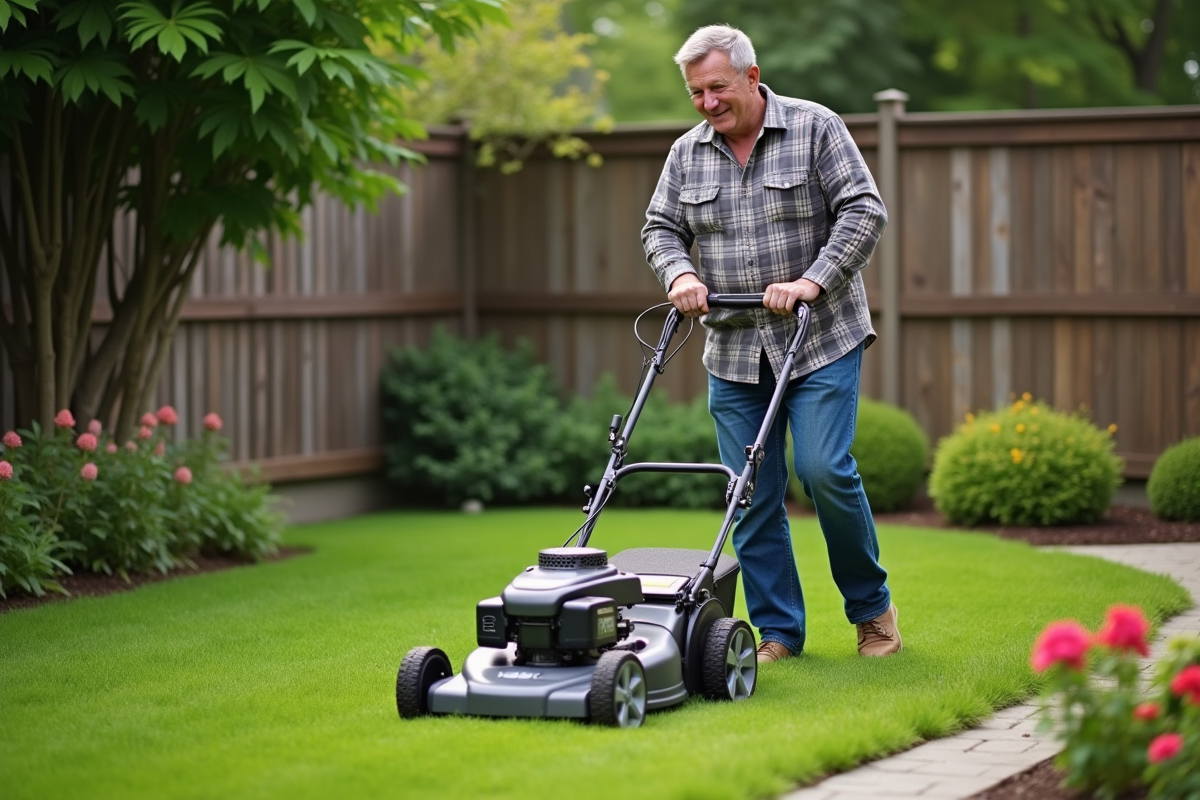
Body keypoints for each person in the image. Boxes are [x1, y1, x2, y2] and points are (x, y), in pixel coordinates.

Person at [641, 24, 900, 662]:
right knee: (749, 491)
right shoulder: (687, 154)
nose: (706, 103)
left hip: (820, 340)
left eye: (717, 87)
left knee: (823, 470)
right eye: (696, 92)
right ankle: (779, 631)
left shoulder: (815, 127)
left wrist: (813, 280)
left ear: (752, 77)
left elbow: (865, 210)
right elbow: (660, 227)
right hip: (732, 349)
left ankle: (872, 613)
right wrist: (680, 274)